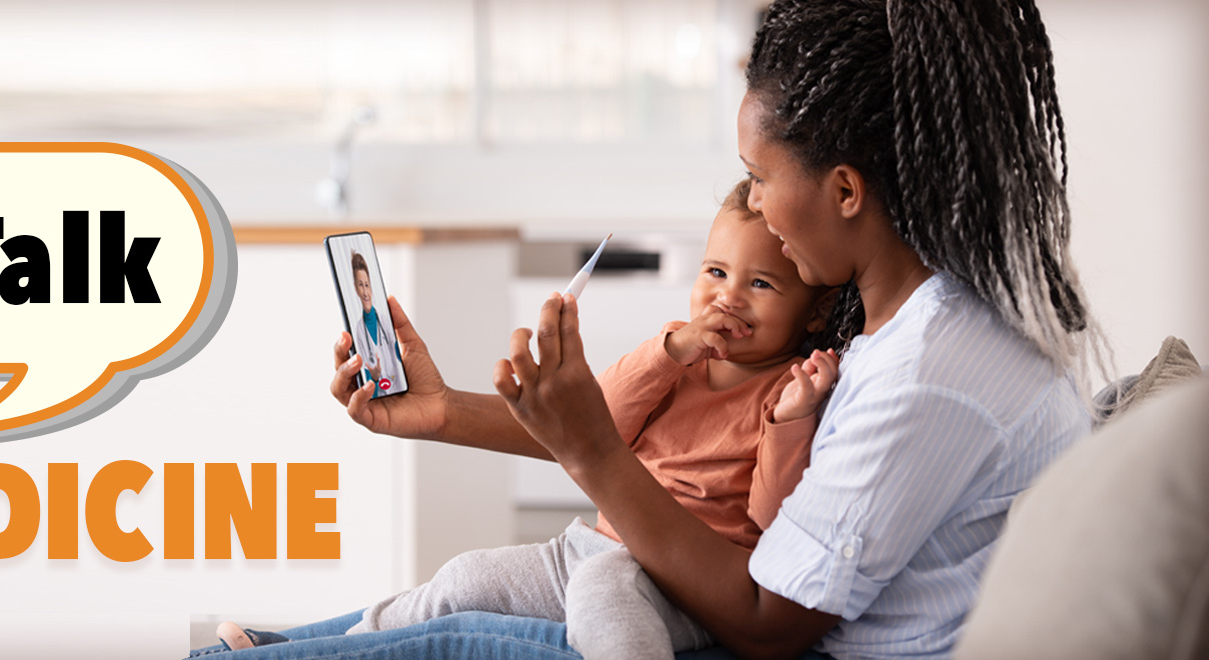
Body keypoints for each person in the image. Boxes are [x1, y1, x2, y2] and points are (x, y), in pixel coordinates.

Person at [188, 1, 1106, 658]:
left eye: (758, 175)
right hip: (673, 584)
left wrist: (594, 455)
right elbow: (625, 434)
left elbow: (765, 614)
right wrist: (446, 412)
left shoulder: (922, 371)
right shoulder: (902, 320)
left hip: (718, 622)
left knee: (468, 631)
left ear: (845, 191)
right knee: (462, 589)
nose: (752, 205)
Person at [208, 180, 842, 660]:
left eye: (761, 284)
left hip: (680, 580)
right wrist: (672, 351)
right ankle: (299, 650)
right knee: (463, 578)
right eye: (716, 272)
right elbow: (599, 422)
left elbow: (769, 523)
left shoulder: (789, 393)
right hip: (589, 546)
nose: (728, 296)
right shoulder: (674, 354)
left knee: (604, 595)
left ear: (814, 313)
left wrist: (791, 423)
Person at [348, 252, 407, 398]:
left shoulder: (385, 320)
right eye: (361, 286)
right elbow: (369, 388)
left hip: (400, 388)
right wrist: (374, 378)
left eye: (367, 285)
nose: (365, 292)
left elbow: (402, 357)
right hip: (381, 397)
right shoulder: (359, 331)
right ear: (355, 289)